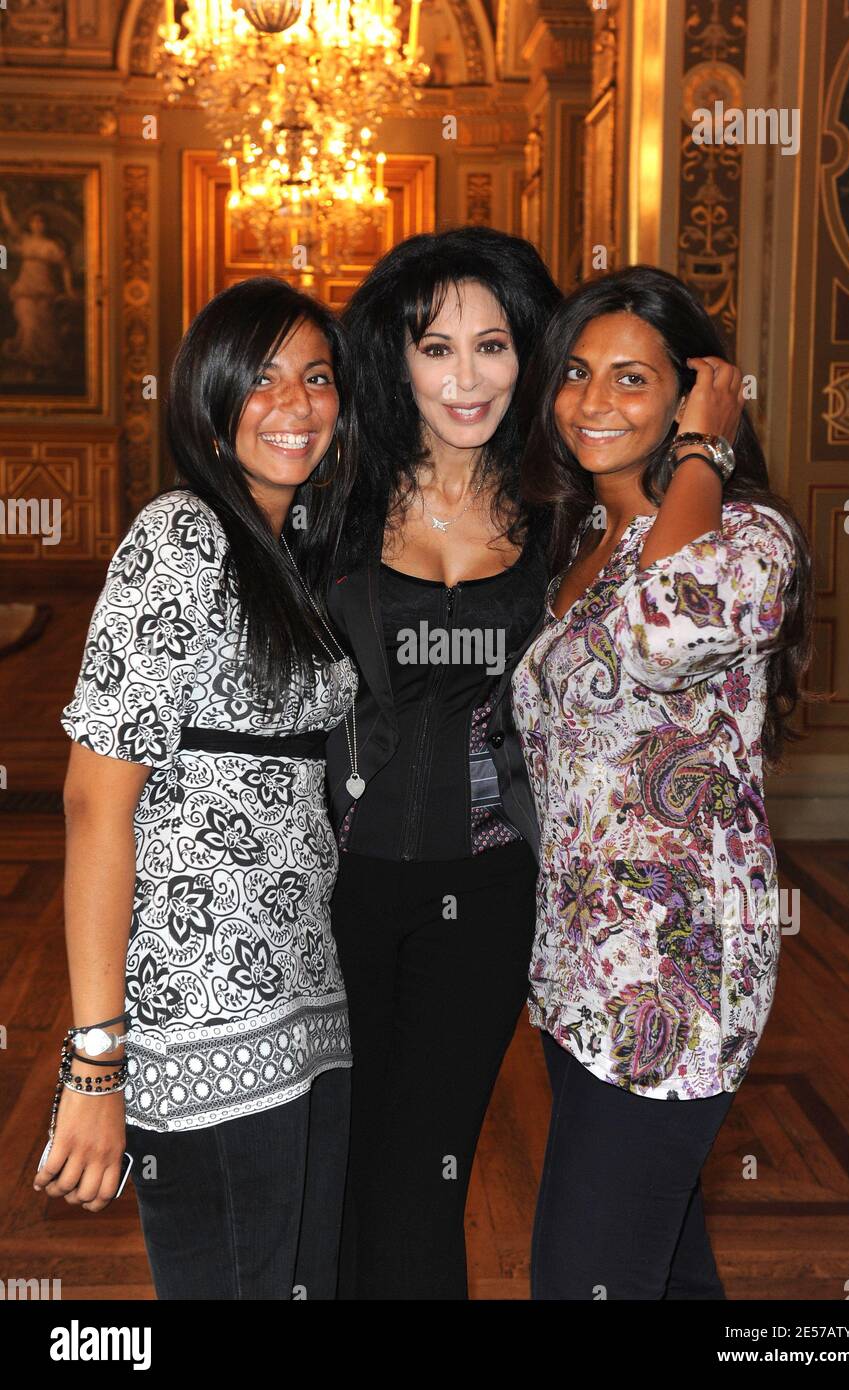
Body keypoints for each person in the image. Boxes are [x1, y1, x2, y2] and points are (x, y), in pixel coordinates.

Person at [34, 276, 360, 1301]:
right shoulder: (182, 537)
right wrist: (96, 1063)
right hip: (202, 1014)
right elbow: (95, 800)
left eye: (316, 376)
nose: (296, 404)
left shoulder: (284, 547)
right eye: (261, 378)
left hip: (300, 998)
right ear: (208, 395)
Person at [512, 264, 813, 1300]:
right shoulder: (579, 549)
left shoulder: (749, 535)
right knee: (666, 1273)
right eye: (577, 373)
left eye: (631, 379)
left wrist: (702, 452)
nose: (593, 402)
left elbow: (664, 627)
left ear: (690, 392)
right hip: (575, 974)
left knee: (581, 1280)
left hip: (672, 983)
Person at [323, 226, 561, 1299]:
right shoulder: (330, 500)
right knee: (335, 1166)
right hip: (330, 887)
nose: (466, 379)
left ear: (530, 353)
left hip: (487, 883)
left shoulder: (563, 514)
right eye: (435, 348)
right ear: (395, 357)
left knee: (423, 1168)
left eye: (493, 346)